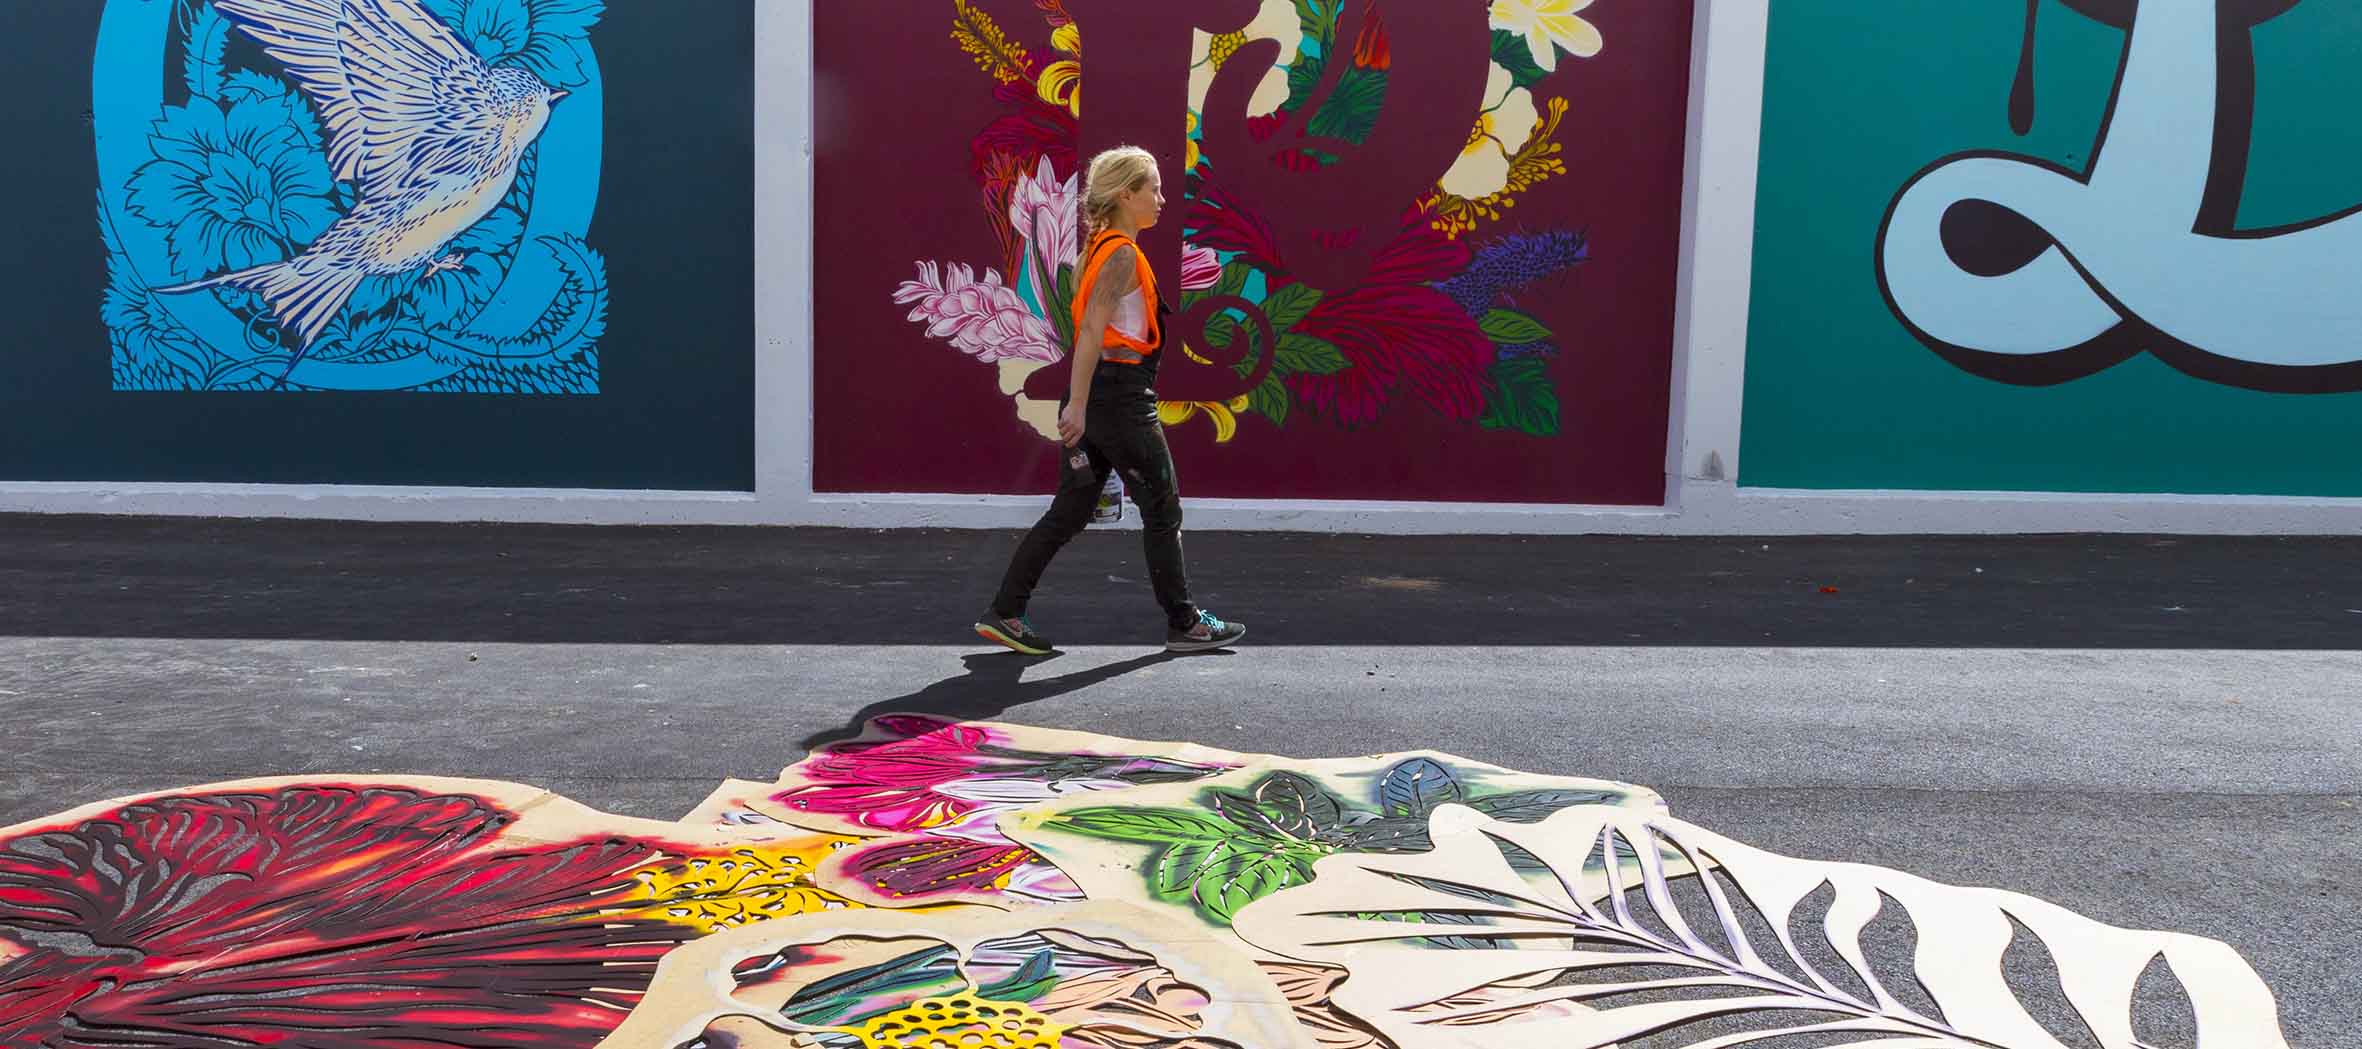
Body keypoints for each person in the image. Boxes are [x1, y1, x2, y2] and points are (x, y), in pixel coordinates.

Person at [974, 146, 1246, 656]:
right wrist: (1076, 406)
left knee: (1071, 510)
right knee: (1162, 509)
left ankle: (1006, 612)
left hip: (1102, 397)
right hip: (1120, 399)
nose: (1162, 199)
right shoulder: (1119, 255)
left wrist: (1079, 404)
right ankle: (1186, 624)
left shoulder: (1098, 251)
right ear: (1126, 195)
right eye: (1154, 189)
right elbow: (1091, 334)